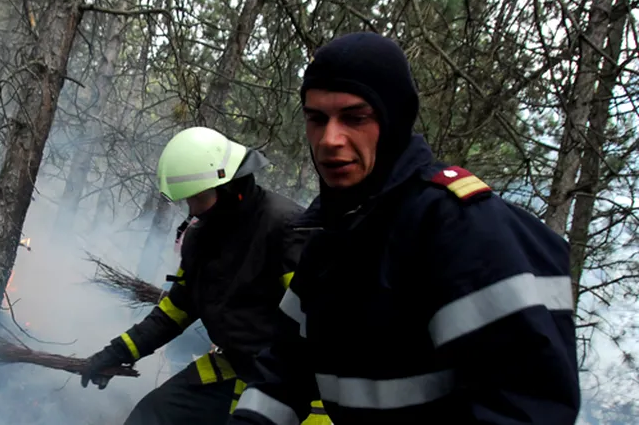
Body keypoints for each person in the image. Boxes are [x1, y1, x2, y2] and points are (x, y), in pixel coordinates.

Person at [229, 31, 580, 424]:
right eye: (316, 118)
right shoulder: (327, 247)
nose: (329, 140)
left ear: (393, 120)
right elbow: (281, 373)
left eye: (355, 117)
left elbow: (525, 407)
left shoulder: (462, 230)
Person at [79, 127, 332, 425]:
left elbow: (324, 325)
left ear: (228, 188)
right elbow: (176, 311)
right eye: (189, 200)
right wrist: (119, 351)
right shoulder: (200, 239)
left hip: (294, 385)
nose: (193, 209)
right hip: (234, 370)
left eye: (198, 198)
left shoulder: (287, 229)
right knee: (151, 417)